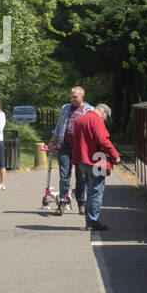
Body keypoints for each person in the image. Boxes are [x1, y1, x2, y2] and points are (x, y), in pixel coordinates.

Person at [71, 102, 120, 231]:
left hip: (82, 161)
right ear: (103, 112)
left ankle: (89, 220)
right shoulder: (96, 120)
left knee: (89, 190)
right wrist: (115, 155)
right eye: (105, 118)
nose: (104, 120)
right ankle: (92, 222)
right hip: (97, 160)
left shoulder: (80, 119)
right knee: (96, 192)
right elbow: (103, 140)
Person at [49, 87, 94, 212]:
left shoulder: (90, 110)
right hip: (65, 146)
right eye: (71, 97)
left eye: (75, 97)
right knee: (64, 176)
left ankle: (81, 203)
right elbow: (59, 126)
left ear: (82, 97)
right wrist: (52, 141)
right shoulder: (65, 108)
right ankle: (62, 203)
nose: (72, 99)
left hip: (81, 149)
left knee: (81, 177)